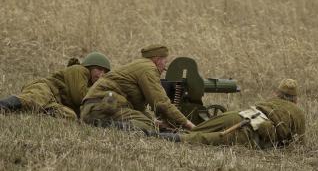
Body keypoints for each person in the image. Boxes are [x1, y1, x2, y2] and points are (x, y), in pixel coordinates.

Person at [157, 79, 305, 149]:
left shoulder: (271, 100)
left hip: (238, 115)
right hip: (252, 131)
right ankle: (164, 137)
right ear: (296, 99)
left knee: (197, 129)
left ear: (277, 93)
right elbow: (298, 144)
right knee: (204, 139)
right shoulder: (298, 113)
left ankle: (161, 131)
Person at [80, 44, 195, 133]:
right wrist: (187, 124)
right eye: (165, 61)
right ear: (157, 59)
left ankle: (104, 123)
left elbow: (138, 107)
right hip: (101, 108)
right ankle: (108, 125)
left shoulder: (140, 66)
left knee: (151, 124)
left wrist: (154, 121)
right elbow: (161, 102)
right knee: (148, 128)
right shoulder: (148, 68)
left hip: (93, 109)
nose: (165, 66)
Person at [0, 52, 111, 120]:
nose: (102, 75)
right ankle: (3, 105)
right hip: (45, 88)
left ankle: (27, 113)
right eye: (99, 69)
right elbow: (79, 97)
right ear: (89, 67)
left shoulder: (89, 84)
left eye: (105, 72)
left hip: (54, 101)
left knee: (69, 116)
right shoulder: (79, 70)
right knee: (35, 98)